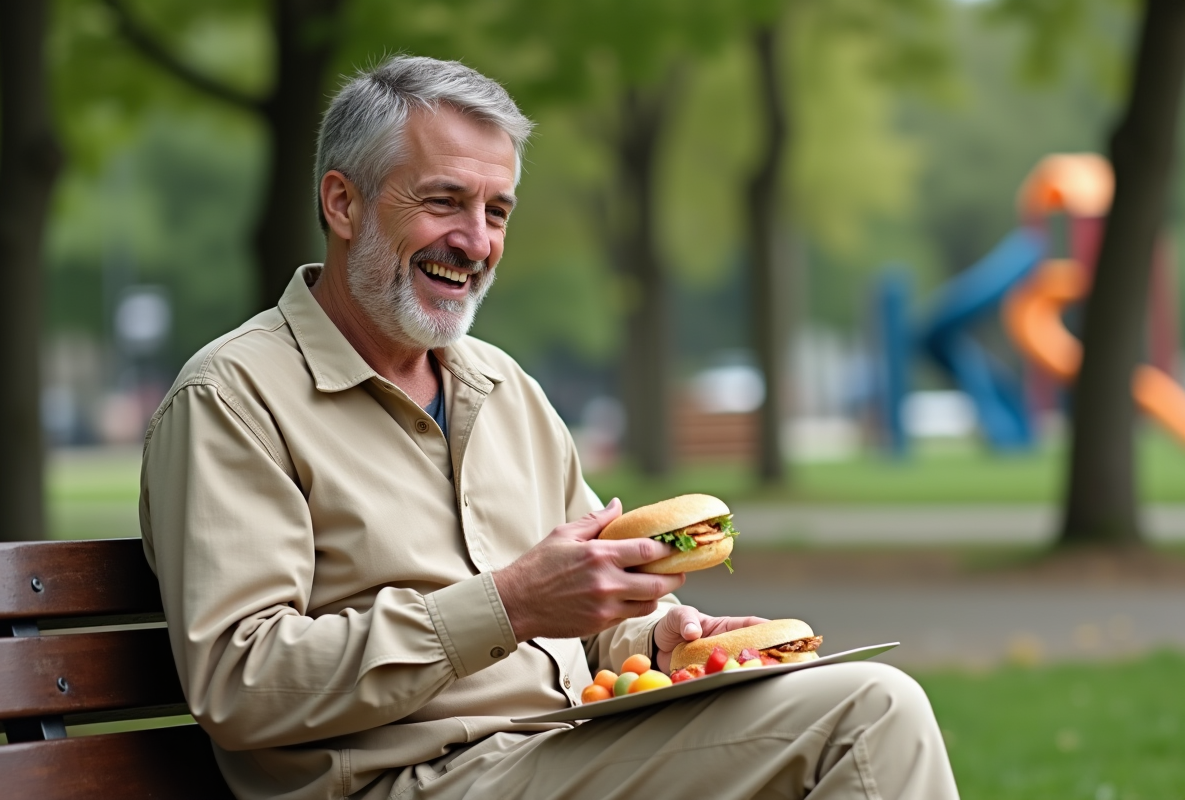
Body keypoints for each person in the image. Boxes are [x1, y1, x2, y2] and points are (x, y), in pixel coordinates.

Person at [140, 55, 959, 800]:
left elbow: (583, 610)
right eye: (444, 202)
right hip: (403, 782)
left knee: (855, 705)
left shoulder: (504, 387)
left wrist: (663, 636)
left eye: (498, 210)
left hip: (556, 750)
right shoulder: (232, 396)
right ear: (342, 201)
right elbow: (241, 684)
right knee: (868, 714)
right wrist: (509, 605)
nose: (476, 241)